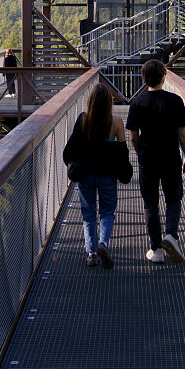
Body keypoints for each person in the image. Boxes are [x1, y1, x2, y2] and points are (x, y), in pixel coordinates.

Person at [126, 58, 185, 264]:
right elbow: (182, 134)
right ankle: (171, 235)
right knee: (173, 198)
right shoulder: (175, 101)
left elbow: (133, 137)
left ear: (144, 78)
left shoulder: (137, 103)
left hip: (148, 158)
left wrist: (140, 153)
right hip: (171, 157)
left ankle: (156, 250)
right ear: (163, 77)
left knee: (150, 203)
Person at [62, 83, 132, 269]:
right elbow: (122, 151)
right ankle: (103, 243)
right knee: (107, 211)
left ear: (91, 101)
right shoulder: (116, 121)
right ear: (109, 102)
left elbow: (70, 149)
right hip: (107, 174)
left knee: (88, 213)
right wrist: (124, 171)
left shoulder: (83, 120)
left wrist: (72, 163)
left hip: (86, 174)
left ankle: (91, 253)